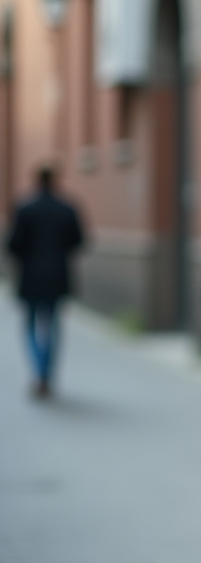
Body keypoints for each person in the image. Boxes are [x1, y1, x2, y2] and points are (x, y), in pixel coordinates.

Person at [6, 165, 85, 399]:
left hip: (30, 275)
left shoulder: (24, 208)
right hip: (57, 275)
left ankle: (38, 371)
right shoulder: (67, 208)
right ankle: (46, 372)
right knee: (51, 324)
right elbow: (79, 240)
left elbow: (13, 244)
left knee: (30, 323)